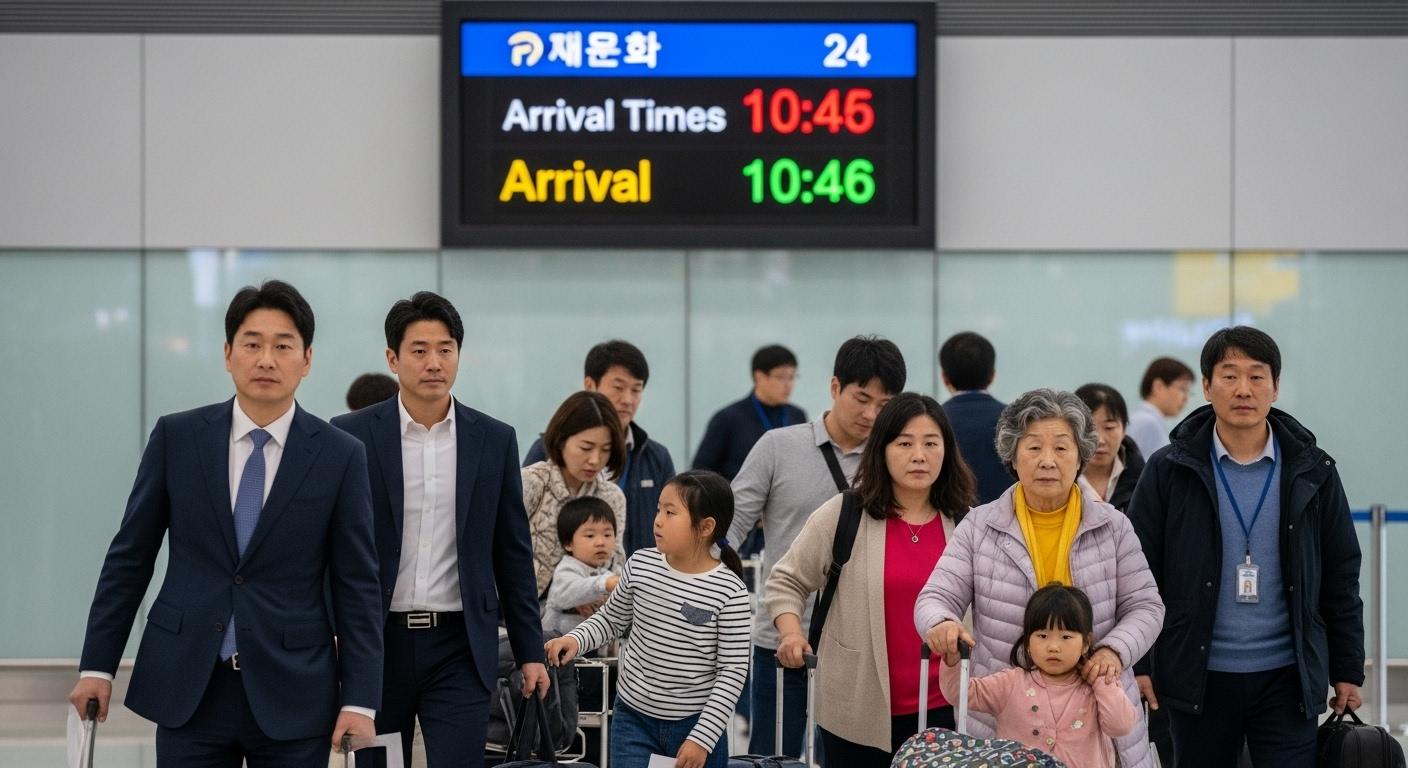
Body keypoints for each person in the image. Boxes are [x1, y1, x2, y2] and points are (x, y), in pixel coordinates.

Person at [68, 280, 383, 765]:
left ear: (307, 359)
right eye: (252, 344)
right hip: (189, 686)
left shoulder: (340, 455)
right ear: (227, 353)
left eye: (283, 346)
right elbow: (130, 558)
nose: (266, 360)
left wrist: (359, 700)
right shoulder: (178, 438)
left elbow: (357, 585)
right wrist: (97, 666)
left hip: (294, 690)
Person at [1128, 326, 1364, 767]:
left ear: (1275, 387)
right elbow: (1137, 573)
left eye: (1256, 376)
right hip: (1196, 676)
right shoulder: (1169, 470)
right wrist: (1139, 664)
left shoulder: (1312, 470)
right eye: (1229, 375)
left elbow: (1341, 572)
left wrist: (1348, 668)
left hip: (1287, 677)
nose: (1243, 389)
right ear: (1206, 386)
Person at [330, 291, 547, 767]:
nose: (434, 362)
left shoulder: (493, 439)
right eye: (419, 350)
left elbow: (512, 552)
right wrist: (331, 629)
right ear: (393, 358)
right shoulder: (351, 435)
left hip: (459, 646)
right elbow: (330, 547)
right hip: (376, 644)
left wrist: (531, 650)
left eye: (445, 349)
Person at [916, 388, 1164, 768]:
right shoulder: (980, 526)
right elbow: (935, 597)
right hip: (1003, 726)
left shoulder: (1113, 526)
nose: (1047, 460)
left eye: (1061, 448)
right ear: (1012, 455)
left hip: (1098, 723)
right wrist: (942, 623)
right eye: (1033, 447)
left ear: (1080, 456)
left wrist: (1113, 651)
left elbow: (1146, 606)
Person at [765, 393, 976, 767]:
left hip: (947, 712)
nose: (919, 455)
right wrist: (791, 634)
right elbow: (786, 580)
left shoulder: (966, 522)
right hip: (856, 711)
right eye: (905, 444)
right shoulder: (845, 513)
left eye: (931, 443)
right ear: (882, 449)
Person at [728, 334, 907, 756]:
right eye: (861, 398)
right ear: (834, 387)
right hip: (782, 638)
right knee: (773, 757)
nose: (871, 414)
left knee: (849, 757)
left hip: (862, 649)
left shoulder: (896, 458)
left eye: (884, 405)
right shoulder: (778, 447)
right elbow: (729, 527)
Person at [545, 470, 750, 768]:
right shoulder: (641, 565)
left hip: (695, 726)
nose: (658, 520)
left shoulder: (730, 591)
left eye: (670, 512)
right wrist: (575, 640)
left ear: (706, 526)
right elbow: (611, 619)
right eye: (658, 509)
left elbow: (732, 671)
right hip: (633, 718)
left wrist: (702, 738)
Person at [938, 584, 1137, 768]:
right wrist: (953, 660)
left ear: (1086, 643)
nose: (1053, 646)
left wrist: (1102, 680)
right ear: (1027, 642)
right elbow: (959, 694)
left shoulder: (1096, 688)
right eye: (1042, 636)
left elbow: (1120, 726)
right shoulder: (1010, 683)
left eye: (1066, 637)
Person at [525, 340, 675, 556]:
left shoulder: (656, 457)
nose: (628, 399)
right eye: (618, 387)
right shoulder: (544, 455)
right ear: (590, 385)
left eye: (636, 390)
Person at [522, 390, 629, 596]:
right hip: (522, 608)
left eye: (605, 450)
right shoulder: (531, 482)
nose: (595, 460)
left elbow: (616, 563)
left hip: (592, 610)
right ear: (562, 441)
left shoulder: (612, 496)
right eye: (586, 448)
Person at [693, 344, 807, 481]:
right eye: (781, 377)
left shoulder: (798, 416)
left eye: (792, 377)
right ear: (759, 377)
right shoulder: (728, 418)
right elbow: (700, 471)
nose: (788, 385)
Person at [938, 331, 1010, 505]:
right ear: (992, 375)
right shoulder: (1014, 419)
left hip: (951, 517)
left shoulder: (933, 420)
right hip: (1007, 517)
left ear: (944, 378)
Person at [542, 497, 621, 635]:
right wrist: (604, 584)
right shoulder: (567, 568)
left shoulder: (609, 573)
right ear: (568, 543)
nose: (600, 542)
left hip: (591, 643)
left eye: (607, 534)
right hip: (556, 639)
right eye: (590, 536)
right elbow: (565, 594)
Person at [1074, 383, 1146, 512]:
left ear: (1124, 429)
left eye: (1109, 428)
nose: (1099, 440)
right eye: (1088, 429)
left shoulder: (1145, 480)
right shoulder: (1054, 480)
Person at [1126, 356, 1194, 460]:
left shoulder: (1146, 420)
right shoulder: (1147, 422)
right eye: (1183, 389)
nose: (1186, 398)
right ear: (1158, 386)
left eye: (1188, 392)